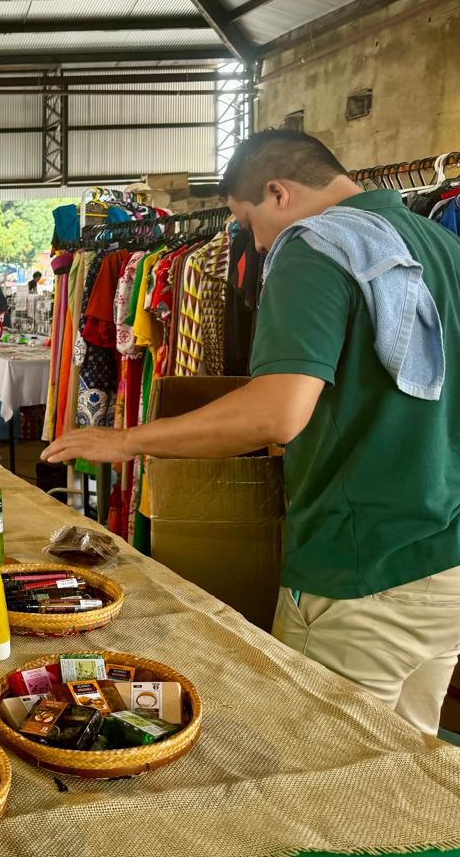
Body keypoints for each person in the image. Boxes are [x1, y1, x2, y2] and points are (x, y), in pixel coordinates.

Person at [45, 130, 460, 737]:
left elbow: (276, 412)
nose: (255, 244)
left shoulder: (317, 248)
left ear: (278, 192)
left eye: (247, 222)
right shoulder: (440, 244)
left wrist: (127, 440)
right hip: (445, 556)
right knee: (407, 773)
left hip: (363, 567)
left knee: (321, 766)